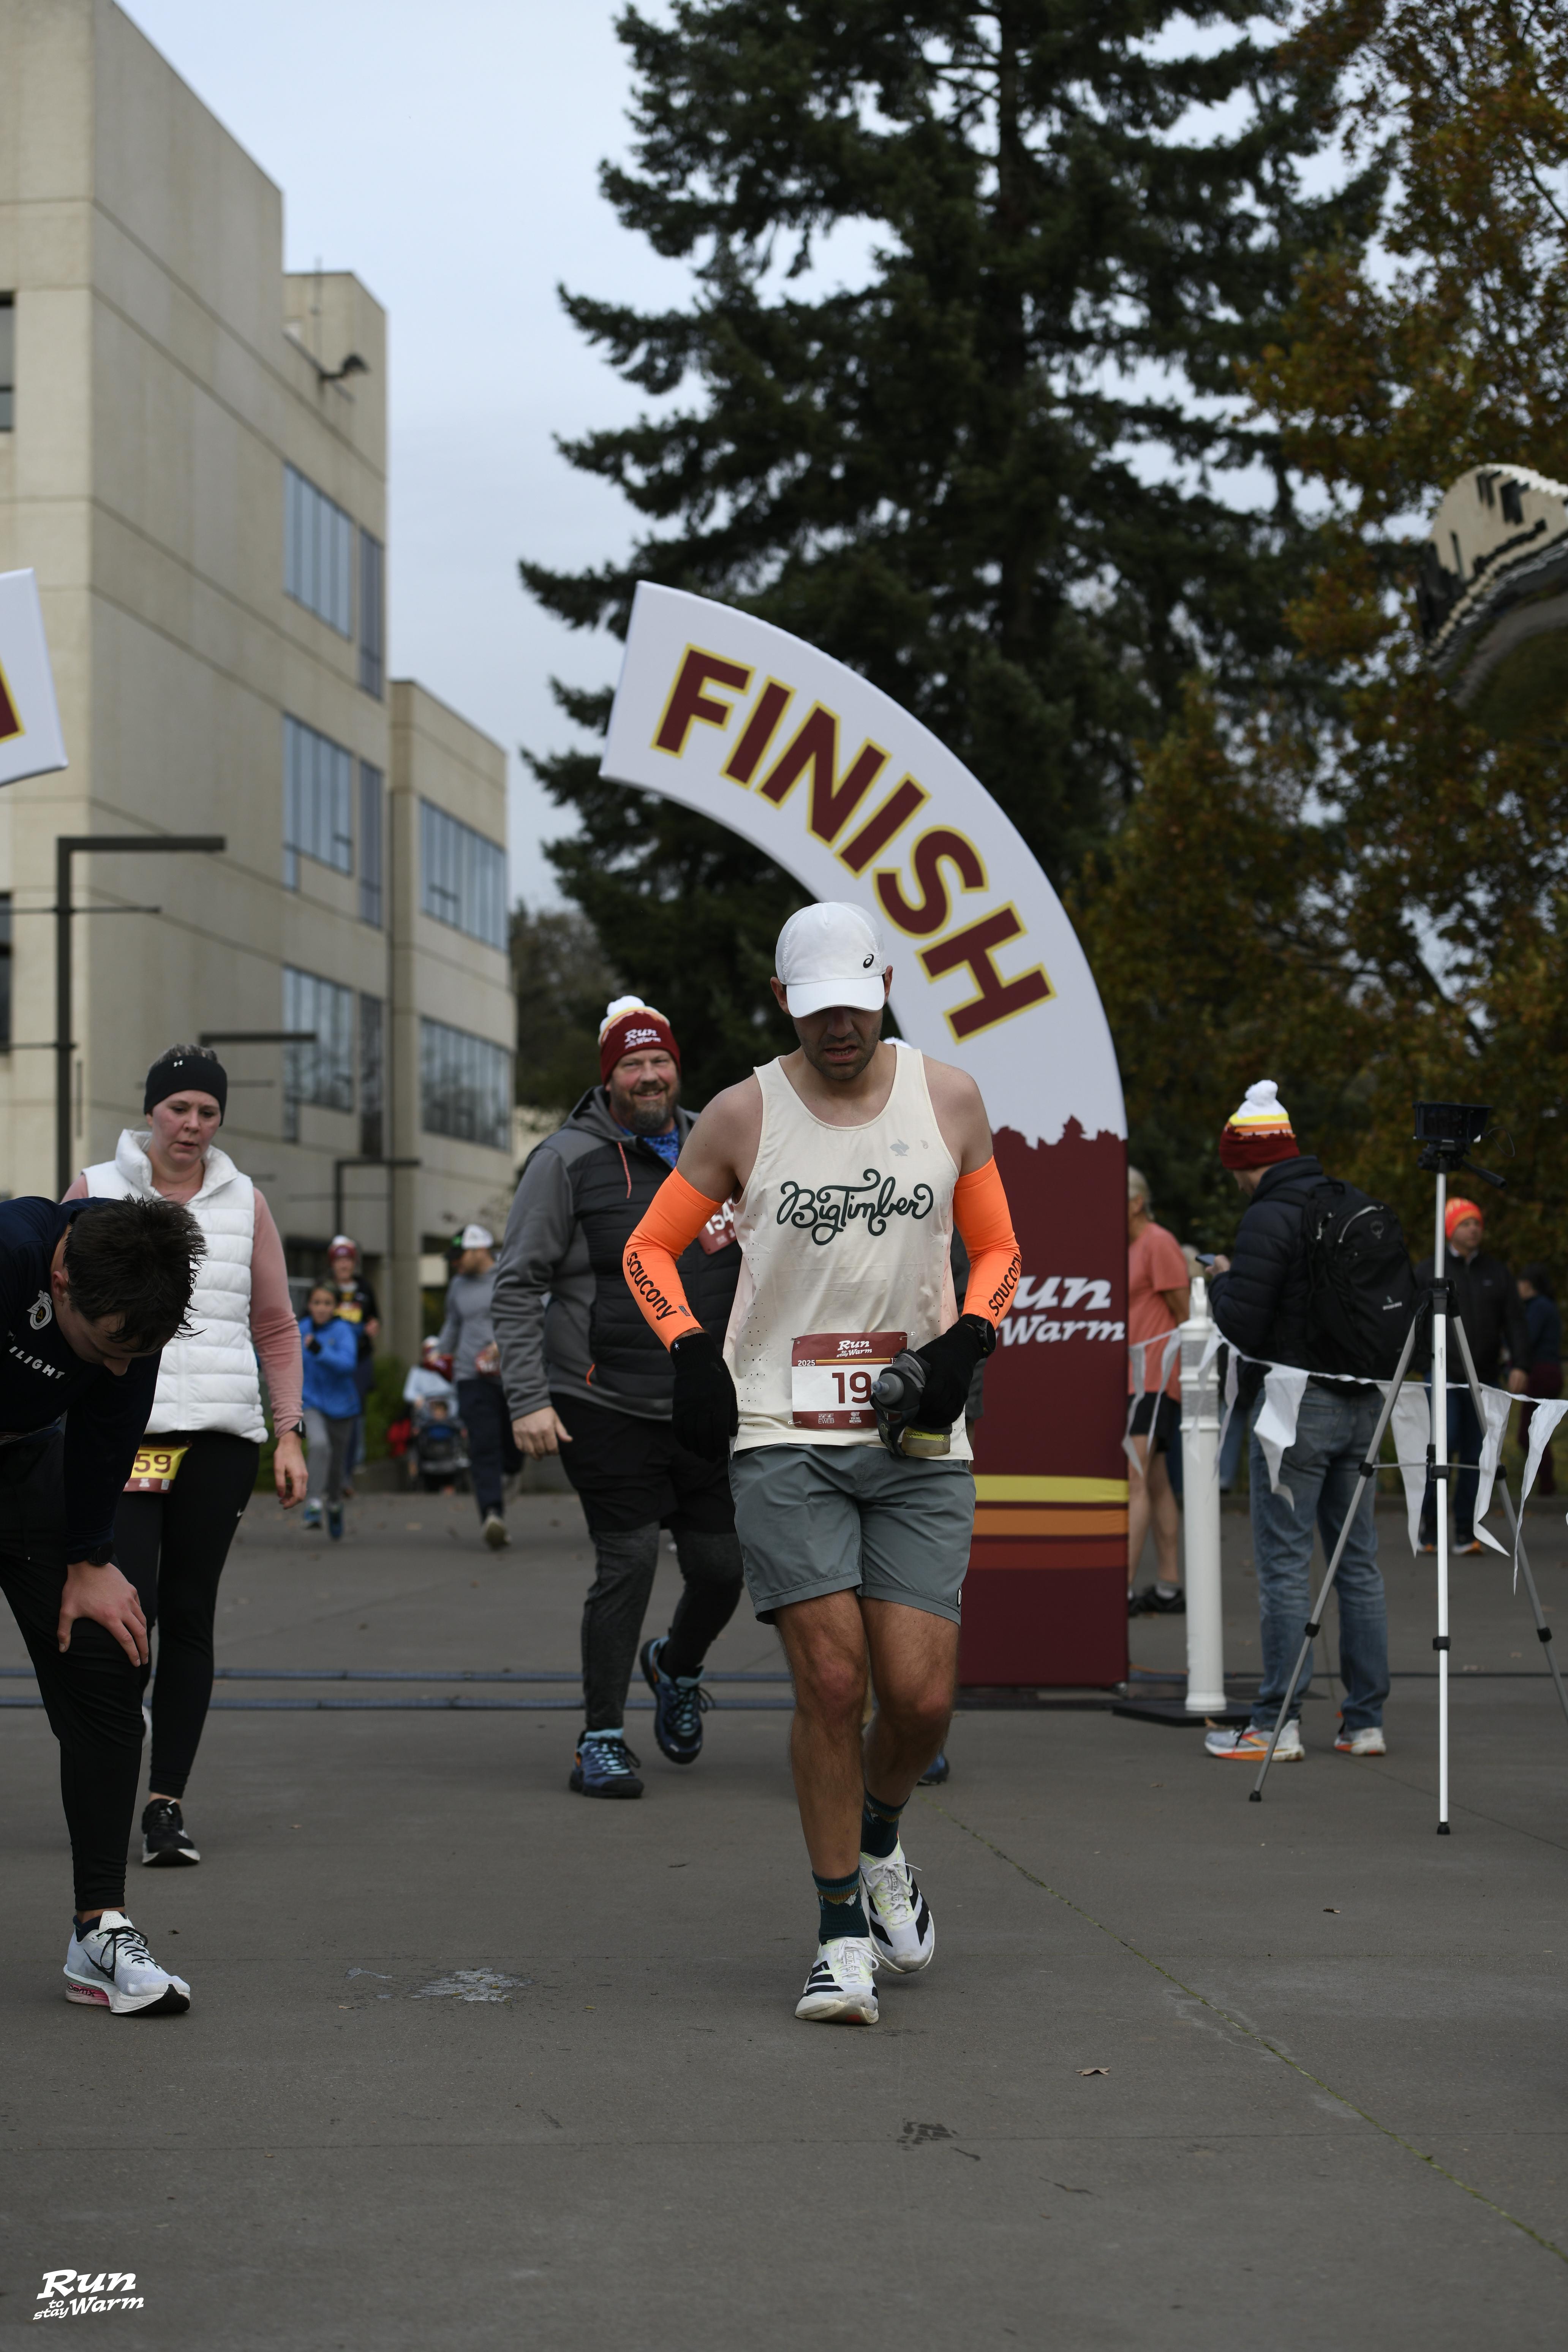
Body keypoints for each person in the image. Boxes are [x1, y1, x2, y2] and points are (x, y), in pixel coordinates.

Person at [620, 904, 1020, 2025]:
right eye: (814, 1012)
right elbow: (648, 1248)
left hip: (916, 1437)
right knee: (834, 1685)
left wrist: (969, 1338)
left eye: (852, 1006)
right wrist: (688, 1349)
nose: (836, 1029)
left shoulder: (948, 1098)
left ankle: (880, 1836)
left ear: (883, 988)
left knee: (921, 1700)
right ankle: (840, 1932)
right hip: (781, 1431)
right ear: (783, 1004)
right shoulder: (742, 1113)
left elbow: (996, 1247)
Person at [492, 995, 747, 1797]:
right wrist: (527, 1399)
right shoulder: (565, 1159)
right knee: (629, 1560)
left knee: (722, 1568)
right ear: (610, 1079)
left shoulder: (723, 1145)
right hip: (601, 1400)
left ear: (677, 1068)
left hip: (704, 1403)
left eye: (659, 1060)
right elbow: (517, 1283)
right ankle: (599, 1738)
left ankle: (675, 1665)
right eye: (632, 1064)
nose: (648, 1076)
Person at [65, 1044, 306, 1869]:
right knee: (126, 1615)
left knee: (190, 1612)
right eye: (179, 1109)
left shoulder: (246, 1202)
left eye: (208, 1112)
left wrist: (289, 1431)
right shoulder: (96, 1189)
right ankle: (111, 1761)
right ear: (151, 1112)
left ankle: (164, 1804)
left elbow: (275, 1325)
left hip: (220, 1439)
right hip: (122, 1438)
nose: (193, 1125)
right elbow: (53, 1303)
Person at [0, 1192, 204, 2014]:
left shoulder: (136, 1299)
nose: (122, 1368)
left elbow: (107, 1435)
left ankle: (99, 1931)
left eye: (140, 1351)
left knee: (110, 1656)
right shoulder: (12, 1253)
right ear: (60, 1282)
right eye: (110, 1347)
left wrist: (91, 1559)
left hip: (27, 1472)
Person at [1201, 1080, 1390, 1764]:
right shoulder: (1348, 1200)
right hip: (1364, 1401)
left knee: (1285, 1565)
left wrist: (1220, 1279)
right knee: (1357, 1564)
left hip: (1294, 1406)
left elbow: (1243, 1324)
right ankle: (1364, 1722)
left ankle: (1274, 1725)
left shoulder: (1268, 1215)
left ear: (1246, 1162)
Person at [1415, 1199, 1529, 1553]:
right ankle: (1431, 1529)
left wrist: (1521, 1364)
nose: (1474, 1229)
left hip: (1484, 1379)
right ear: (1451, 1229)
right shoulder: (1430, 1270)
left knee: (1477, 1456)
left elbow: (1515, 1321)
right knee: (1441, 1448)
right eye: (1465, 1224)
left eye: (1477, 1223)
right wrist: (1422, 1363)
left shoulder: (1498, 1272)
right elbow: (1413, 1323)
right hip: (1443, 1378)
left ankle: (1467, 1531)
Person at [1125, 1166, 1190, 1617]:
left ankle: (1122, 1589)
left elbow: (1186, 1316)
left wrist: (1181, 1380)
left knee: (1135, 1478)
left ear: (1136, 1203)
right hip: (1132, 1379)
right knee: (1157, 1480)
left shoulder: (1159, 1242)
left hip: (1154, 1379)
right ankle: (1169, 1587)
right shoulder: (1126, 1247)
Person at [439, 1223, 519, 1550]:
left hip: (513, 1375)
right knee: (483, 1444)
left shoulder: (512, 1273)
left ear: (480, 1250)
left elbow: (536, 1312)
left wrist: (503, 1344)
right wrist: (439, 1351)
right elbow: (453, 1323)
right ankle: (492, 1515)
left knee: (513, 1450)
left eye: (460, 1255)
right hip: (471, 1377)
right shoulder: (458, 1285)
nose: (455, 1262)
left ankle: (511, 1472)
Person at [299, 1284, 360, 1537]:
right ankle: (314, 1503)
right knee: (318, 1444)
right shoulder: (301, 1328)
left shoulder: (343, 1330)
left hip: (342, 1407)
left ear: (334, 1307)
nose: (321, 1308)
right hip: (311, 1402)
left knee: (336, 1467)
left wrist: (320, 1351)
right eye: (317, 1302)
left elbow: (348, 1364)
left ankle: (334, 1504)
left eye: (327, 1303)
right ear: (310, 1305)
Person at [326, 1234, 378, 1491]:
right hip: (330, 1363)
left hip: (359, 1362)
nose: (344, 1265)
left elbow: (375, 1319)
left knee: (354, 1416)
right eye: (340, 1260)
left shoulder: (365, 1288)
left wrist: (373, 1328)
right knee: (328, 1416)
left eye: (349, 1260)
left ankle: (347, 1474)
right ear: (332, 1263)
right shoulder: (325, 1289)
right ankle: (328, 1475)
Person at [1517, 1264, 1562, 1498]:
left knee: (1530, 1433)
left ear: (1527, 1285)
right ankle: (1546, 1484)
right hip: (1549, 1372)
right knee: (1537, 1431)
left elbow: (1526, 1338)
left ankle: (1547, 1485)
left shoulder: (1538, 1307)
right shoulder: (1546, 1306)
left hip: (1540, 1373)